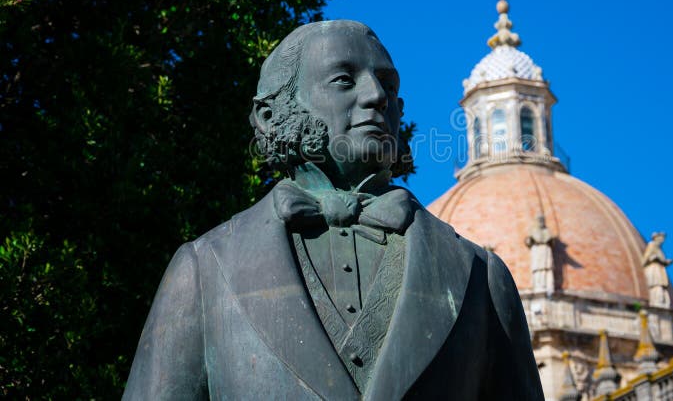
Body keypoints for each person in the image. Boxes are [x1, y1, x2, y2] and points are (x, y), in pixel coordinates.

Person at [123, 20, 544, 400]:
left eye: (388, 84)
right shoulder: (205, 269)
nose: (377, 96)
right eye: (344, 79)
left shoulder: (479, 276)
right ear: (271, 116)